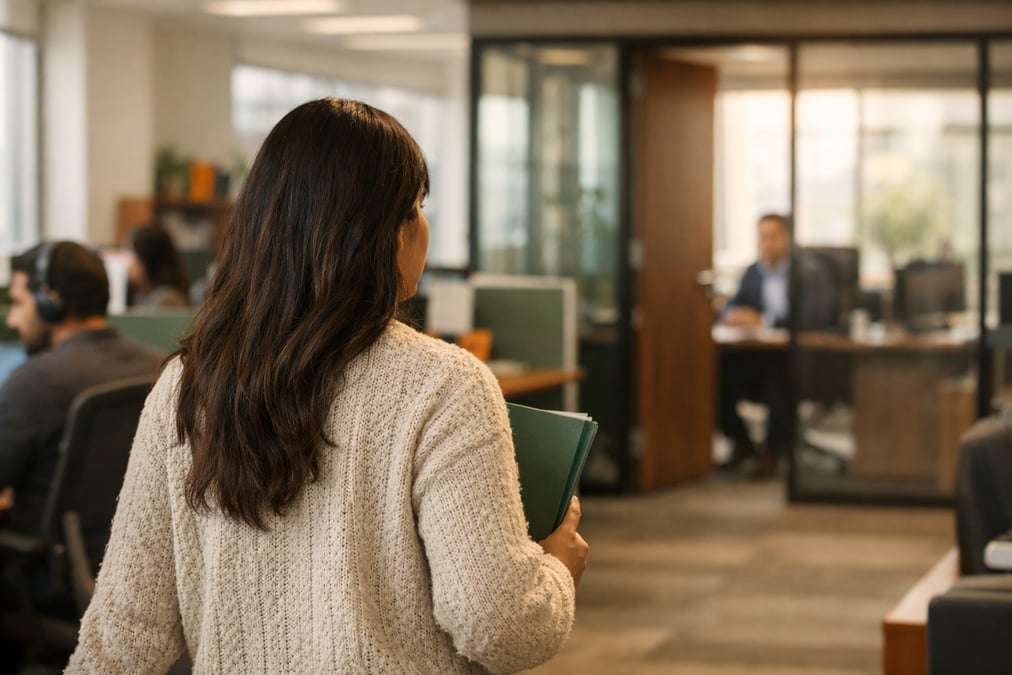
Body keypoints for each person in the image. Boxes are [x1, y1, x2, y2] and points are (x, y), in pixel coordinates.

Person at [68, 98, 587, 673]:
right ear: (383, 234)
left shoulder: (186, 385)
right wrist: (557, 570)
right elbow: (498, 626)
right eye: (415, 206)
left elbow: (124, 630)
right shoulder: (443, 384)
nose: (422, 226)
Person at [0, 241, 166, 533]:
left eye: (18, 302)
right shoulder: (161, 369)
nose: (12, 320)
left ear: (49, 301)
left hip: (45, 571)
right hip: (132, 562)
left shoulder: (34, 383)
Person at [716, 213, 836, 475]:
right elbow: (732, 305)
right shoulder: (753, 272)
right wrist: (731, 315)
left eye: (772, 237)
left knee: (777, 376)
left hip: (799, 361)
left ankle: (772, 452)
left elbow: (815, 317)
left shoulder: (810, 272)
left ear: (787, 238)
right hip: (757, 357)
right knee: (717, 370)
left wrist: (764, 320)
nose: (766, 244)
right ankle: (742, 442)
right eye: (762, 237)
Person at [126, 222, 190, 309]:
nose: (128, 263)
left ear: (146, 260)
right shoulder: (143, 295)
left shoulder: (166, 300)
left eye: (132, 254)